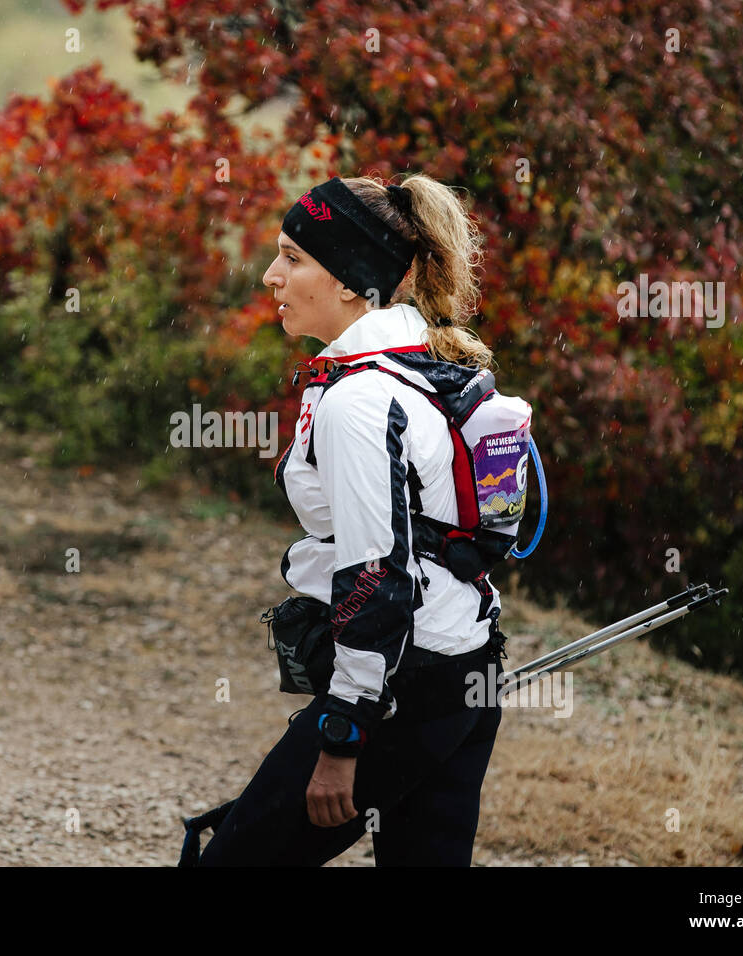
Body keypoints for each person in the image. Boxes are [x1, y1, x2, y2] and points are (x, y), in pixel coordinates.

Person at [196, 174, 517, 867]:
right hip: (468, 671)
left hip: (397, 692)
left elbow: (378, 579)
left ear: (348, 281)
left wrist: (341, 739)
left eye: (292, 257)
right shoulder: (422, 362)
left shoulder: (360, 401)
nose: (269, 275)